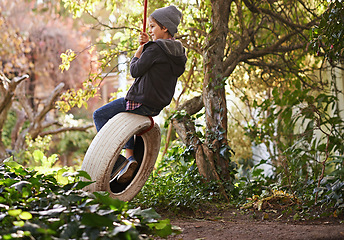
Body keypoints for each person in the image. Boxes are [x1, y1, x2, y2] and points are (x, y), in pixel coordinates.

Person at [93, 5, 187, 184]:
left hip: (140, 100)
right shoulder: (178, 53)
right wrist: (148, 46)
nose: (150, 30)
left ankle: (123, 161)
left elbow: (135, 70)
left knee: (99, 115)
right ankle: (130, 161)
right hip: (156, 105)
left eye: (152, 26)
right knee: (126, 120)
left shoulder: (156, 48)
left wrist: (140, 50)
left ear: (164, 27)